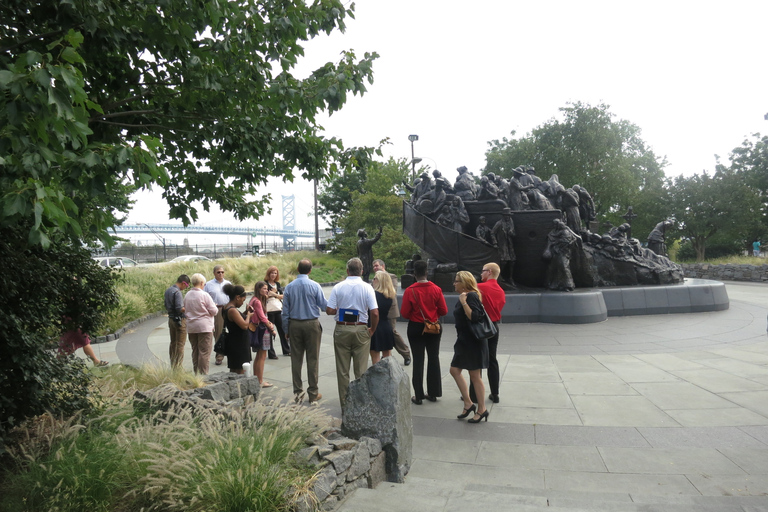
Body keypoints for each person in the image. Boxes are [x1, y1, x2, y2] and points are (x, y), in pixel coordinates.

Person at [326, 257, 379, 408]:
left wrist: (338, 310)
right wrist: (372, 330)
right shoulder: (367, 287)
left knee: (342, 370)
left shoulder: (338, 287)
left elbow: (329, 310)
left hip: (342, 328)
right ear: (362, 271)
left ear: (347, 271)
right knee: (361, 370)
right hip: (361, 328)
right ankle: (360, 405)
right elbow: (375, 313)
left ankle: (345, 405)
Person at [400, 259, 448, 405]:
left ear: (414, 274)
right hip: (433, 327)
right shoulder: (436, 289)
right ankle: (433, 393)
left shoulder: (410, 291)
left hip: (415, 327)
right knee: (434, 358)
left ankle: (418, 395)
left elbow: (405, 313)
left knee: (418, 360)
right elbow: (444, 310)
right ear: (427, 272)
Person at [282, 259, 327, 405]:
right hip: (312, 324)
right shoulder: (315, 286)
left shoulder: (289, 287)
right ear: (310, 270)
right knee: (312, 359)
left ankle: (298, 393)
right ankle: (313, 393)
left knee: (296, 359)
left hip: (294, 324)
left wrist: (285, 329)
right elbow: (324, 306)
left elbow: (285, 311)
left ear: (297, 269)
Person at [450, 271, 490, 424]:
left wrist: (464, 302)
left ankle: (482, 409)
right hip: (464, 341)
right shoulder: (466, 295)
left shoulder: (471, 296)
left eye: (456, 281)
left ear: (464, 282)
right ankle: (468, 403)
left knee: (475, 376)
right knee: (454, 370)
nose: (454, 284)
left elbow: (475, 317)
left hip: (473, 342)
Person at [469, 263, 505, 404]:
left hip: (480, 327)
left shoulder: (479, 288)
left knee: (476, 361)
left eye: (483, 271)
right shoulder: (501, 291)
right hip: (494, 327)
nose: (481, 273)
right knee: (492, 360)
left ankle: (474, 395)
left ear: (489, 272)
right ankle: (495, 393)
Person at [372, 259, 411, 365]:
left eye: (377, 266)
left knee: (392, 333)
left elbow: (391, 290)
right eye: (374, 266)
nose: (375, 268)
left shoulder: (391, 276)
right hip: (378, 310)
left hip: (390, 311)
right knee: (383, 334)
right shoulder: (375, 278)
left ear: (383, 265)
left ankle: (406, 354)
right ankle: (386, 355)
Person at [184, 273, 218, 375]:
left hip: (191, 326)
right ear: (202, 283)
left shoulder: (187, 295)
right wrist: (214, 306)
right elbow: (214, 311)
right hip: (204, 326)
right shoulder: (204, 295)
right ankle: (203, 374)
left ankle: (196, 373)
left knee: (195, 351)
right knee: (204, 352)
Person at [249, 281, 277, 387]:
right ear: (259, 289)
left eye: (266, 288)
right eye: (264, 288)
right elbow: (262, 317)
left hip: (259, 329)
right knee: (262, 356)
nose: (266, 290)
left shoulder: (254, 299)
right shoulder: (257, 301)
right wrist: (271, 328)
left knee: (259, 356)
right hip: (262, 330)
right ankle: (260, 381)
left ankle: (257, 379)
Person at [222, 284, 253, 374]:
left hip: (234, 341)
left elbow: (235, 320)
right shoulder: (232, 310)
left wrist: (245, 312)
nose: (243, 303)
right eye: (243, 300)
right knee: (240, 370)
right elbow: (244, 326)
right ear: (237, 297)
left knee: (234, 369)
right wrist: (249, 316)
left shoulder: (226, 307)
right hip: (239, 343)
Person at [204, 265, 231, 365]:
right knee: (219, 333)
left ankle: (232, 353)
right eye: (218, 272)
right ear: (214, 273)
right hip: (217, 309)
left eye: (222, 272)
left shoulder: (228, 283)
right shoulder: (209, 285)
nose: (221, 274)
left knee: (233, 331)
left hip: (228, 308)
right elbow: (204, 298)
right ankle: (219, 356)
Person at [164, 274, 190, 369]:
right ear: (183, 283)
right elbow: (180, 308)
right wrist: (188, 308)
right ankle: (178, 367)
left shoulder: (168, 290)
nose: (185, 288)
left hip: (171, 319)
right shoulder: (177, 292)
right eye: (186, 286)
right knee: (180, 344)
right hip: (179, 320)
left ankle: (173, 365)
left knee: (173, 343)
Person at [370, 271, 396, 364]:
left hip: (375, 327)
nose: (373, 280)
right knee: (387, 358)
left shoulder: (374, 295)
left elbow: (373, 312)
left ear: (379, 281)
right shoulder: (389, 295)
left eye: (375, 278)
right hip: (386, 326)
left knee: (375, 358)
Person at [264, 266, 289, 358]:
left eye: (275, 273)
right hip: (269, 310)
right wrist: (273, 295)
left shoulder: (277, 284)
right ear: (268, 274)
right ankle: (271, 353)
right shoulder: (265, 284)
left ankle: (286, 350)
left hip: (278, 309)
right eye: (272, 273)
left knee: (282, 330)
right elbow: (263, 296)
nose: (273, 275)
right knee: (270, 330)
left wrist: (273, 294)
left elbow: (283, 296)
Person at [491, 208, 517, 288]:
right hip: (502, 245)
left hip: (510, 245)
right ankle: (499, 276)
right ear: (503, 216)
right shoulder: (499, 223)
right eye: (506, 215)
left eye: (508, 215)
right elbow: (492, 233)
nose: (507, 217)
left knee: (512, 261)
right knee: (503, 261)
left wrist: (511, 233)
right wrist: (495, 242)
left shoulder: (511, 224)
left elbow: (514, 234)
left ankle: (510, 278)